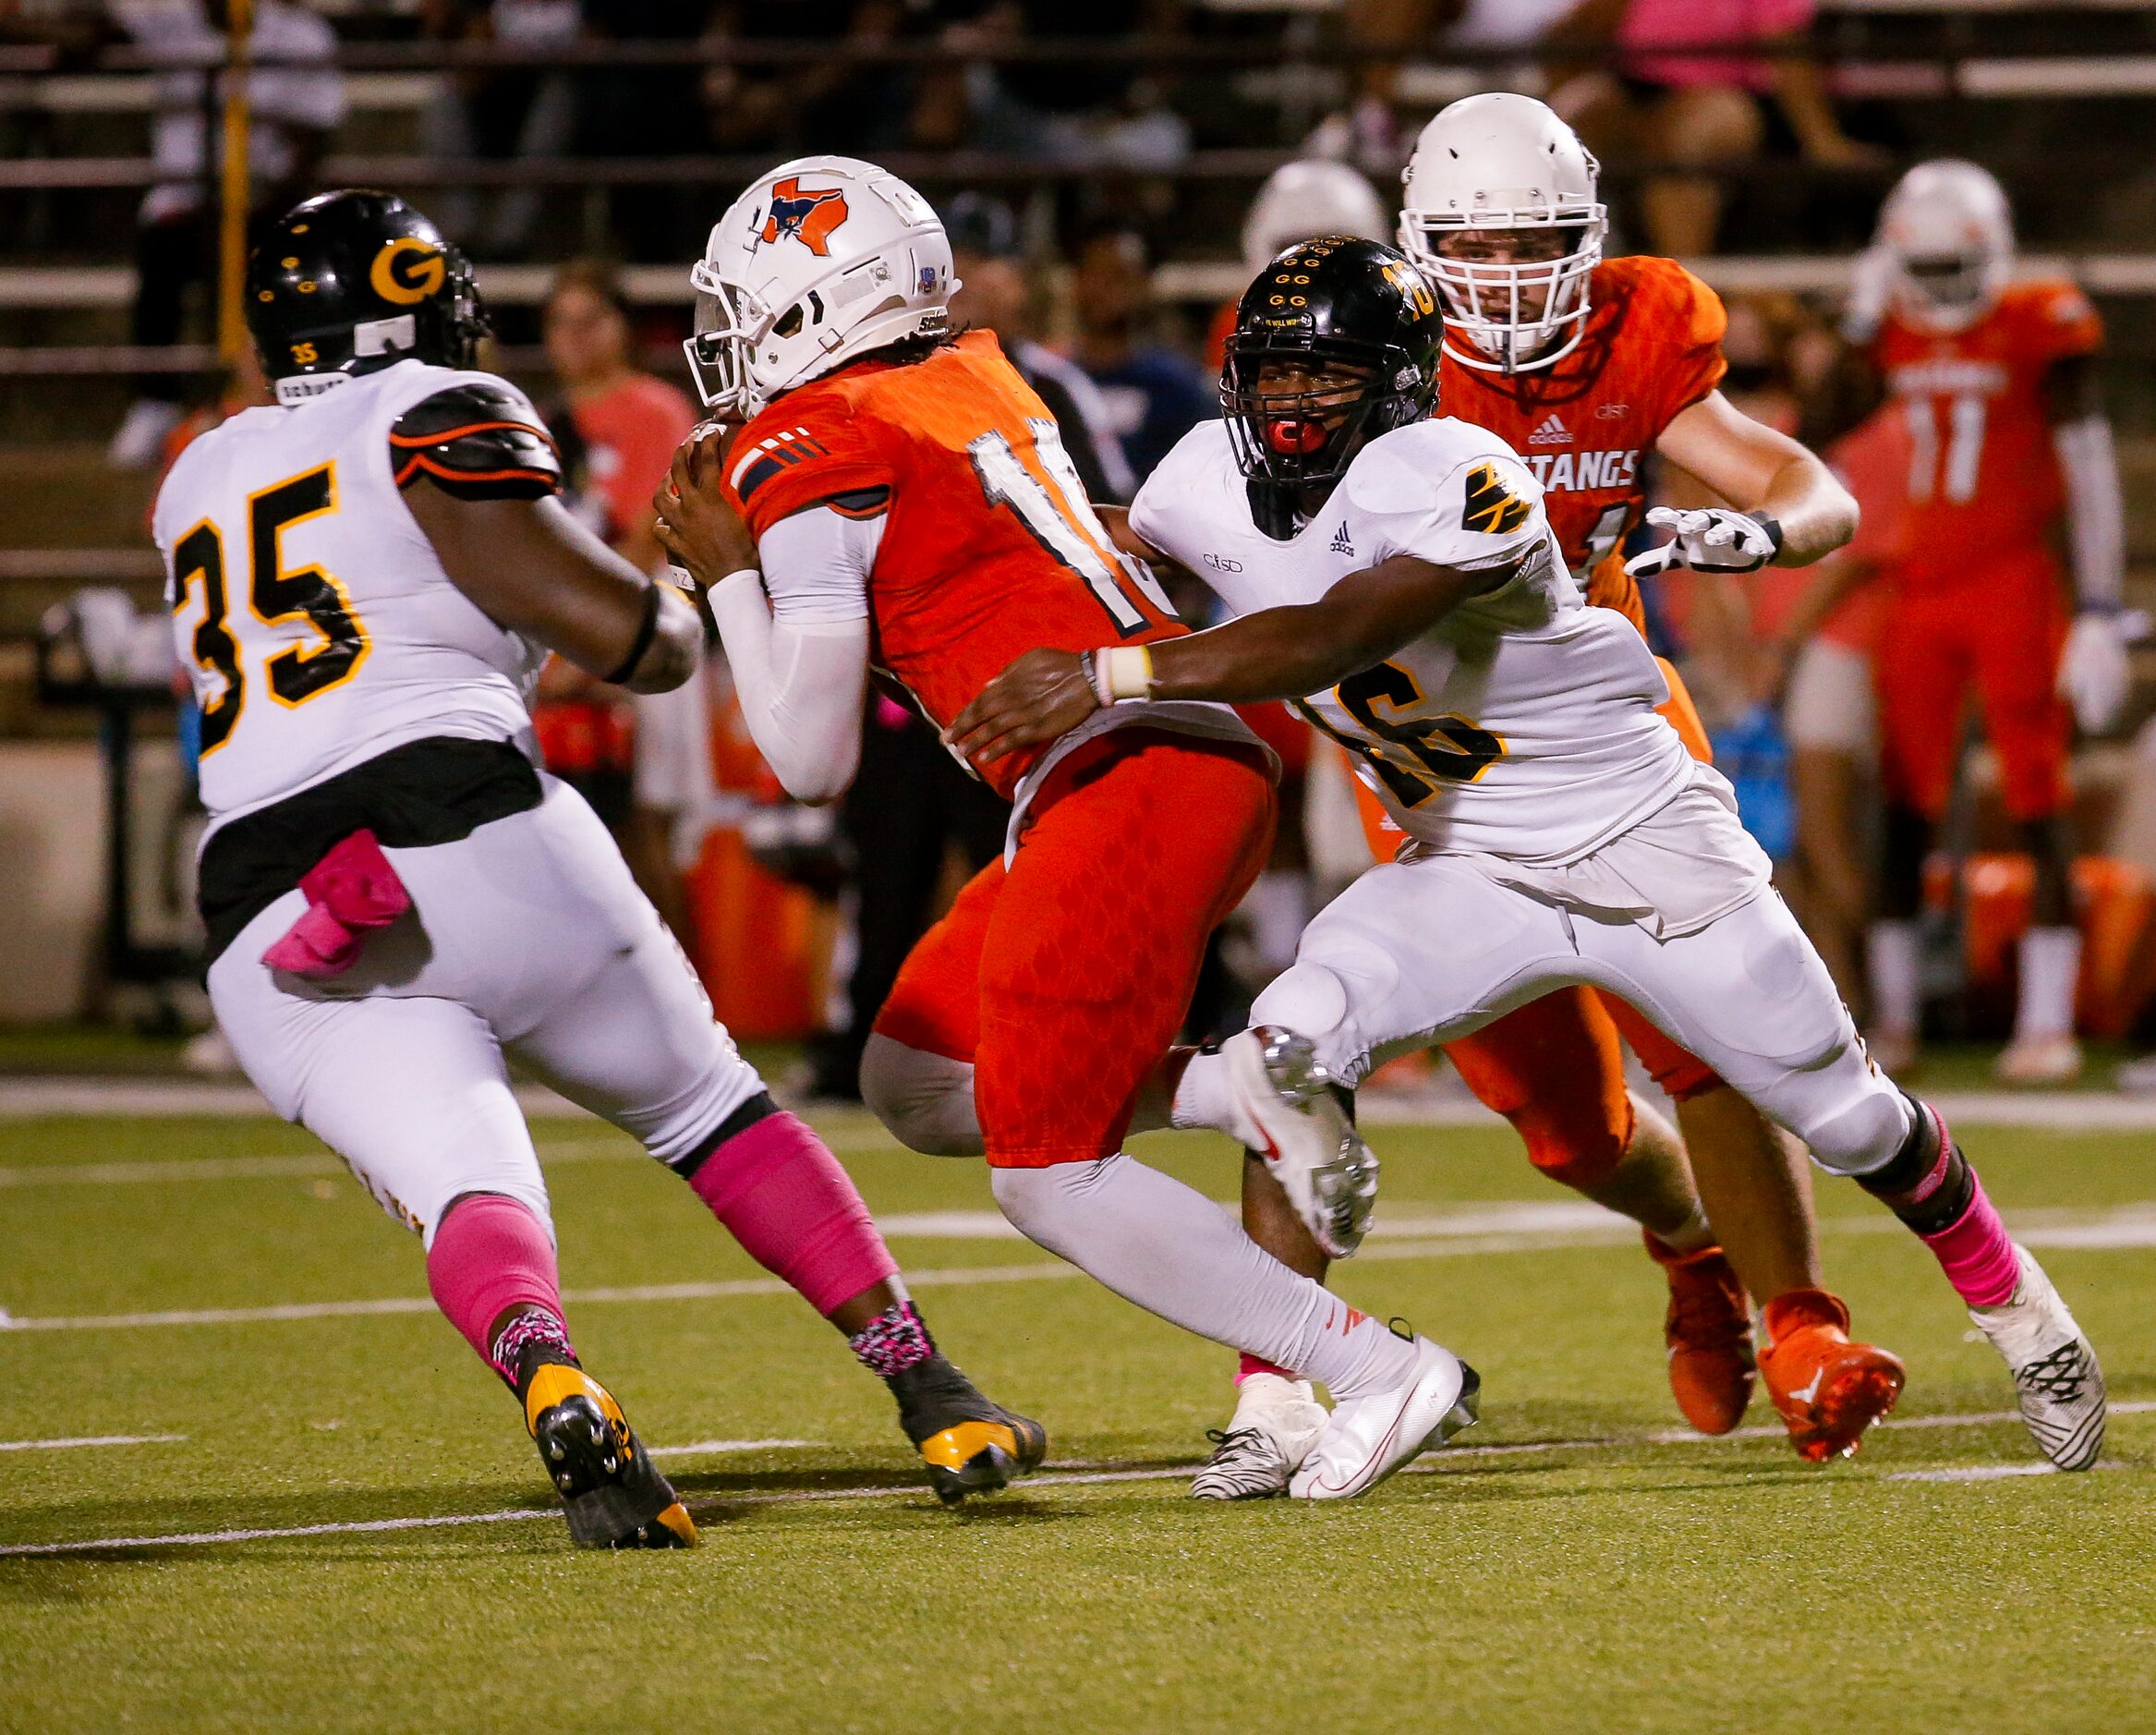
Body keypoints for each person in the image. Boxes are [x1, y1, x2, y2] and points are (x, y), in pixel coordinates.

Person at [951, 235, 2110, 1486]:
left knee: (1849, 1114)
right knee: (1289, 1038)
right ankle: (1286, 1390)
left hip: (1643, 846)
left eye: (1324, 376)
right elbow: (1125, 562)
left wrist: (1104, 674)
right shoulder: (1197, 481)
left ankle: (2021, 1312)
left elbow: (1329, 633)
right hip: (1467, 859)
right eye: (1271, 372)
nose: (1288, 402)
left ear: (1398, 380)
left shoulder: (1458, 467)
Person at [156, 188, 1044, 1546]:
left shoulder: (197, 473)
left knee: (467, 1177)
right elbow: (626, 637)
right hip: (463, 825)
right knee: (712, 1114)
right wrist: (691, 589)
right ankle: (931, 1384)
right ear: (414, 300)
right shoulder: (441, 404)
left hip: (266, 905)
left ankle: (548, 1367)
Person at [656, 154, 1475, 1502]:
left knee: (1047, 1175)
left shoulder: (807, 439)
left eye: (745, 306)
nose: (731, 343)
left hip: (1128, 771)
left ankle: (1378, 1367)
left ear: (817, 305)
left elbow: (807, 758)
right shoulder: (974, 370)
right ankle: (1231, 1087)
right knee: (914, 1081)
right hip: (1162, 766)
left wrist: (733, 574)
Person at [1383, 93, 1896, 1476]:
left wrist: (1761, 528)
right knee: (1567, 1127)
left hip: (1610, 715)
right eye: (1471, 246)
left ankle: (1799, 1319)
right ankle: (1688, 1246)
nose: (1500, 276)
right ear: (1418, 245)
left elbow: (1805, 486)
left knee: (1712, 1024)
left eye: (1531, 241)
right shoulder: (1369, 345)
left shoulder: (1639, 325)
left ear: (1586, 236)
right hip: (1434, 751)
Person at [1843, 161, 2130, 1086]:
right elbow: (1830, 424)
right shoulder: (1880, 326)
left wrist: (2098, 604)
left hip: (2012, 582)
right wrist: (1848, 332)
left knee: (2038, 794)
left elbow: (2088, 468)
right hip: (1918, 587)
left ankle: (2048, 1022)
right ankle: (1892, 1020)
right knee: (1903, 805)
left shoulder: (2040, 318)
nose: (1935, 294)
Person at [535, 261, 707, 949]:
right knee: (585, 832)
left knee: (648, 827)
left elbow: (647, 536)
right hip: (574, 634)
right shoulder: (543, 422)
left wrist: (594, 646)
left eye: (589, 320)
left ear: (622, 329)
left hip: (646, 630)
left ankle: (699, 1001)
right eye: (559, 324)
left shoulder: (655, 411)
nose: (574, 339)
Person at [109, 0, 345, 469]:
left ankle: (277, 398)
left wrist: (271, 201)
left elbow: (316, 132)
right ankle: (155, 401)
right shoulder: (163, 17)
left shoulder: (301, 35)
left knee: (280, 280)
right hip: (182, 200)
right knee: (159, 264)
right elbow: (93, 31)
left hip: (263, 200)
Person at [1070, 222, 1217, 482]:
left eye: (1122, 275)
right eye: (1097, 273)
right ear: (1077, 281)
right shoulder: (1049, 381)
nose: (1109, 288)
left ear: (1145, 284)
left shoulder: (1176, 387)